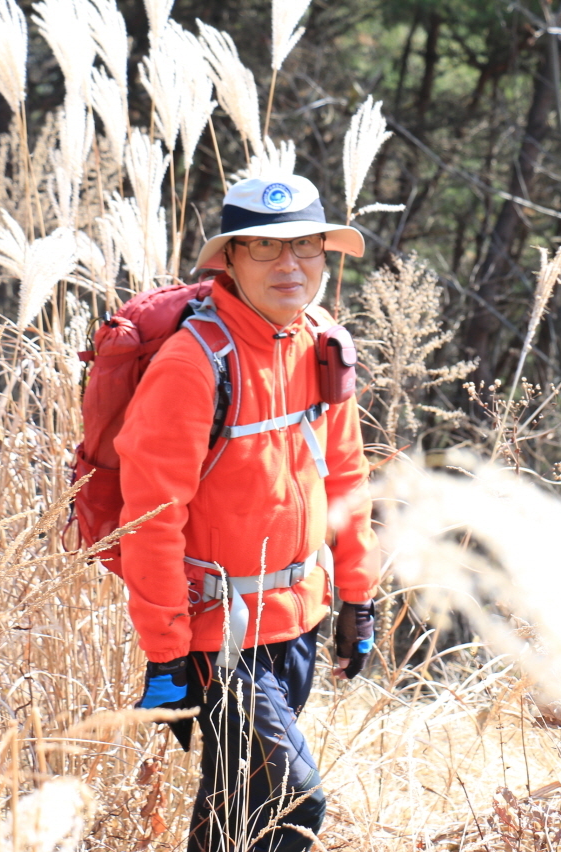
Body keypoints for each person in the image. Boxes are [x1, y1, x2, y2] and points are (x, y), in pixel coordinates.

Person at [114, 173, 381, 852]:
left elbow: (347, 476)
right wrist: (166, 655)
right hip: (220, 635)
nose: (289, 264)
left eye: (305, 245)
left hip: (298, 622)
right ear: (229, 259)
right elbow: (150, 518)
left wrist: (357, 596)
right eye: (264, 246)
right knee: (294, 800)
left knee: (237, 810)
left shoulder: (322, 343)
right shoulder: (193, 363)